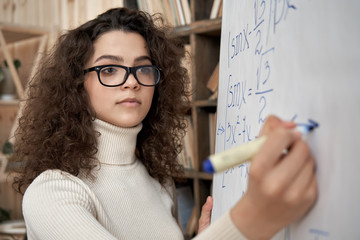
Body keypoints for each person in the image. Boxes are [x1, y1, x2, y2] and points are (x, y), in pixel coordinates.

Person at [11, 7, 317, 240]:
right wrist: (247, 220)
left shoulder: (158, 180)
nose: (131, 83)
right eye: (109, 69)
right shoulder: (52, 193)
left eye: (143, 69)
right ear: (77, 84)